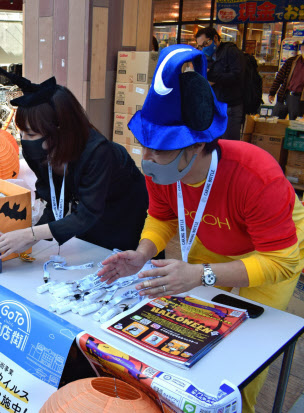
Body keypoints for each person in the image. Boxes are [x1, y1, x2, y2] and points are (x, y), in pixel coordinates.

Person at [98, 45, 304, 413]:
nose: (146, 160)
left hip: (270, 254)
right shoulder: (163, 171)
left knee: (242, 359)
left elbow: (282, 261)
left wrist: (201, 273)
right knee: (194, 334)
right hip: (209, 243)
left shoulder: (255, 174)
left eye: (157, 151)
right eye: (143, 147)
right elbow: (161, 217)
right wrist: (142, 254)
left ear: (194, 147)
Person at [0, 65, 149, 258]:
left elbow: (87, 214)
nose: (25, 141)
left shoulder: (98, 152)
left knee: (115, 258)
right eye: (21, 132)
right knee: (86, 251)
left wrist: (29, 235)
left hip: (123, 210)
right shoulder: (38, 150)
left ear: (59, 130)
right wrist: (26, 238)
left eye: (31, 134)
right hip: (89, 214)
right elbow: (54, 202)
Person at [195, 27, 245, 140]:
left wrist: (213, 76)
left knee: (229, 142)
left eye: (206, 43)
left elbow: (237, 76)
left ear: (215, 38)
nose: (204, 48)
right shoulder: (209, 57)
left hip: (230, 105)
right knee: (215, 141)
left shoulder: (231, 51)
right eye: (201, 46)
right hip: (216, 104)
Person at [268, 43, 304, 120]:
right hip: (284, 95)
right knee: (274, 120)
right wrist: (272, 92)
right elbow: (279, 77)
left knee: (294, 124)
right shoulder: (292, 61)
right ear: (301, 48)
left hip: (299, 99)